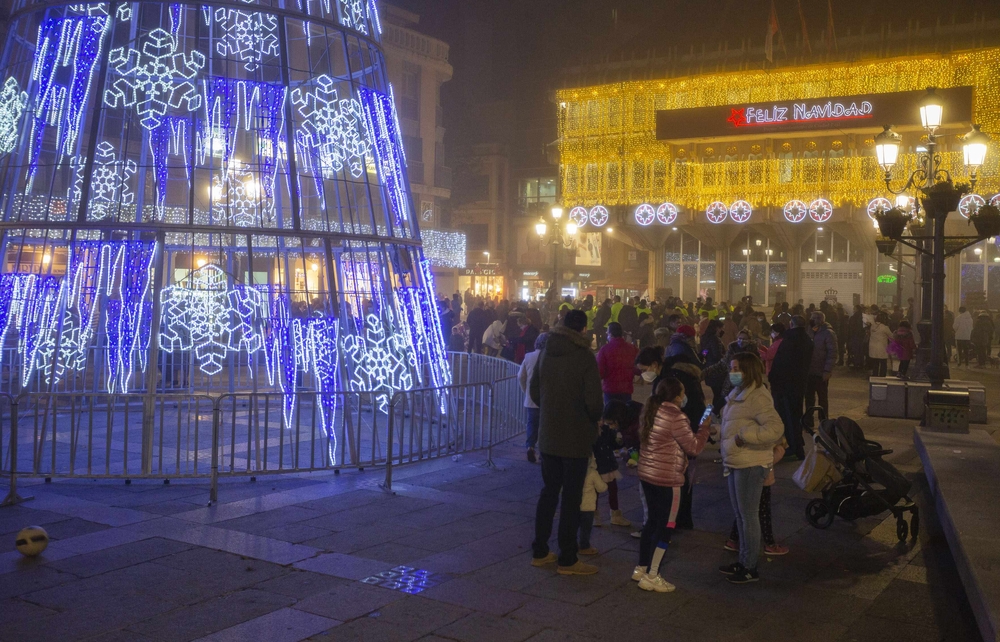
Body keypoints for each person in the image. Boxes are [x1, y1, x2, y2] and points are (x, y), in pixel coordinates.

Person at [529, 310, 603, 575]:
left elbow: (534, 390)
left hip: (549, 435)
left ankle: (539, 551)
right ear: (583, 330)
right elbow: (594, 403)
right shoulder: (584, 357)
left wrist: (551, 410)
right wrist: (592, 418)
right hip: (575, 437)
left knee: (549, 492)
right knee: (571, 499)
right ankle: (567, 558)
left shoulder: (547, 351)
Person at [633, 377, 712, 593]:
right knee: (666, 526)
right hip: (668, 479)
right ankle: (653, 574)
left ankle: (641, 567)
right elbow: (694, 448)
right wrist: (705, 430)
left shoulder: (652, 409)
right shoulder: (676, 416)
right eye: (683, 392)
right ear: (677, 396)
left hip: (647, 475)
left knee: (651, 522)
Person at [718, 353, 784, 584]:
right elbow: (733, 424)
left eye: (737, 368)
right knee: (741, 515)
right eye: (732, 368)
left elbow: (775, 428)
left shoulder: (758, 397)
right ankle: (743, 560)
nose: (733, 372)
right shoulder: (737, 394)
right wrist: (719, 433)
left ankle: (750, 567)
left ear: (749, 370)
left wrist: (745, 436)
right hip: (736, 461)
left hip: (751, 463)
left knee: (748, 516)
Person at [725, 437, 789, 556]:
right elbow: (769, 459)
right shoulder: (764, 437)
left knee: (744, 511)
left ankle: (733, 540)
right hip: (761, 480)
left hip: (746, 475)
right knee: (762, 512)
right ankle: (769, 544)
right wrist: (781, 448)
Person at [768, 316, 812, 460]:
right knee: (796, 415)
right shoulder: (807, 340)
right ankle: (798, 445)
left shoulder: (789, 340)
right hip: (799, 384)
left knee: (788, 418)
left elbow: (781, 363)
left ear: (791, 324)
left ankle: (794, 446)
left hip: (786, 386)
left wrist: (773, 380)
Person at [592, 401, 630, 527]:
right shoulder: (592, 432)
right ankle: (594, 515)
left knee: (613, 490)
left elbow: (613, 444)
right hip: (598, 465)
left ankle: (615, 515)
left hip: (608, 464)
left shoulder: (607, 429)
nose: (602, 422)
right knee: (595, 491)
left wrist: (620, 443)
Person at [518, 333, 547, 463]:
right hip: (546, 398)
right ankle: (543, 450)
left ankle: (530, 446)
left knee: (531, 423)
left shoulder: (528, 357)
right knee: (544, 425)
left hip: (531, 397)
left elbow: (520, 376)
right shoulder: (550, 357)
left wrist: (526, 390)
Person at [596, 322, 638, 405]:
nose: (606, 333)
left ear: (611, 334)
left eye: (607, 331)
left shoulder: (605, 349)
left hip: (610, 389)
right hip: (626, 389)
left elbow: (600, 371)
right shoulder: (632, 348)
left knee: (610, 414)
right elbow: (638, 367)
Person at [805, 311, 837, 421]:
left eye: (815, 318)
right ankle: (809, 420)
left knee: (822, 398)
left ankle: (823, 421)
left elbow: (832, 353)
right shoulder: (809, 331)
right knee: (809, 398)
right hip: (809, 371)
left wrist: (827, 370)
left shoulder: (828, 333)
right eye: (812, 317)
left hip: (821, 371)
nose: (812, 320)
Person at [577, 456, 608, 556]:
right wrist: (605, 484)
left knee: (574, 525)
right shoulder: (592, 473)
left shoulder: (574, 470)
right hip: (588, 506)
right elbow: (601, 488)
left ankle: (572, 543)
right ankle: (584, 545)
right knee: (586, 528)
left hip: (575, 504)